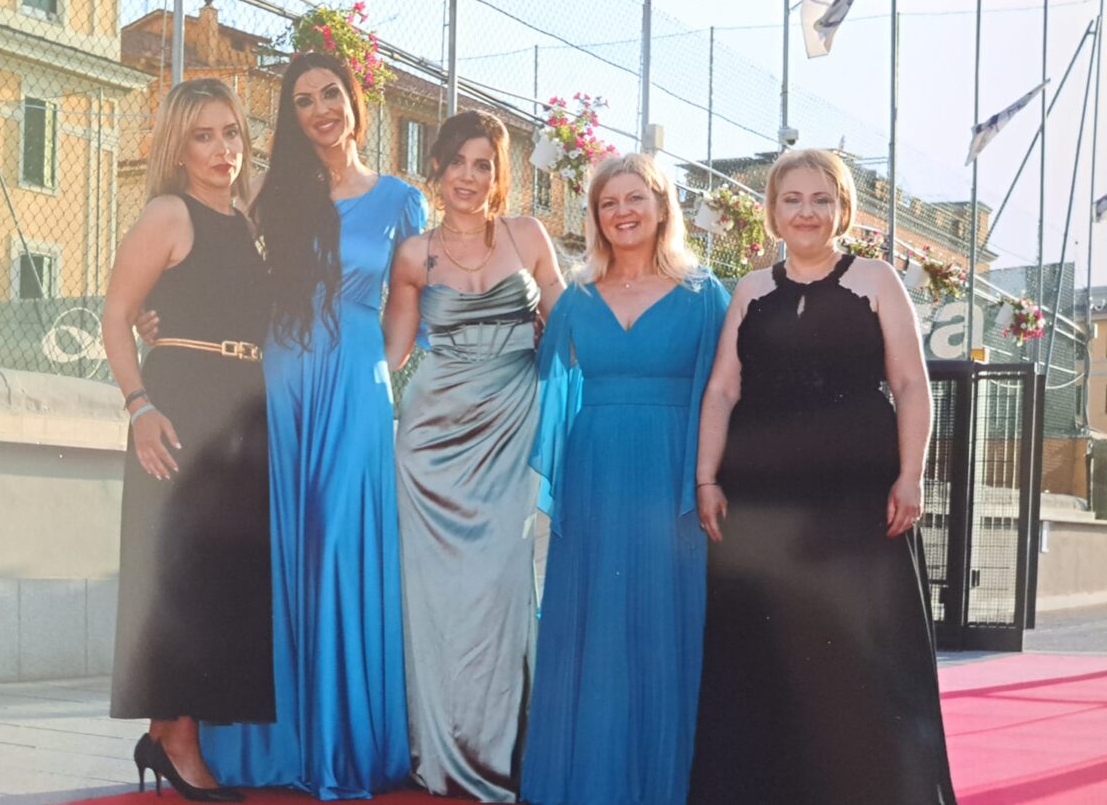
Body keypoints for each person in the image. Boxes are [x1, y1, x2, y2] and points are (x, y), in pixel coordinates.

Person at [184, 53, 425, 797]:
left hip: (355, 385)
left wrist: (370, 372)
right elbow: (218, 268)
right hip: (280, 379)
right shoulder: (268, 192)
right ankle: (278, 749)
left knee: (340, 547)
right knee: (282, 549)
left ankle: (340, 749)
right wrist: (165, 315)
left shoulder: (401, 200)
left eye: (330, 94)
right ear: (291, 118)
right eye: (303, 101)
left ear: (354, 100)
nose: (321, 109)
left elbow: (406, 309)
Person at [687, 148, 956, 804]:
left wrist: (912, 475)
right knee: (766, 649)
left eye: (820, 199)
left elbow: (910, 384)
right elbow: (722, 389)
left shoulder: (876, 279)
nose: (806, 212)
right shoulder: (750, 290)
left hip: (858, 497)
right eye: (792, 199)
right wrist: (706, 479)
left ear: (843, 209)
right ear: (773, 210)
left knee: (861, 647)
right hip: (762, 501)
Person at [519, 153, 729, 805]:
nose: (623, 212)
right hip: (594, 474)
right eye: (608, 203)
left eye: (636, 198)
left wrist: (706, 479)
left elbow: (724, 392)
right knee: (594, 625)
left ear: (662, 207)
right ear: (596, 216)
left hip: (672, 477)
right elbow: (543, 389)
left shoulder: (705, 295)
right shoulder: (577, 298)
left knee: (661, 623)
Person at [382, 110, 565, 802]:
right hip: (429, 442)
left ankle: (499, 752)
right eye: (457, 160)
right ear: (436, 167)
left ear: (499, 174)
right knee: (435, 598)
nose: (468, 175)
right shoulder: (413, 255)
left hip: (511, 429)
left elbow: (571, 324)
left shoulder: (528, 236)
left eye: (483, 163)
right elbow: (390, 355)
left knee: (501, 588)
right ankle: (438, 746)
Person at [103, 78, 274, 802]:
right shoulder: (168, 213)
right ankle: (175, 741)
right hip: (180, 408)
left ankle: (165, 734)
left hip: (241, 411)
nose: (222, 149)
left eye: (231, 132)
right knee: (178, 574)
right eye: (203, 136)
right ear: (178, 146)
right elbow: (116, 315)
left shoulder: (246, 221)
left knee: (216, 581)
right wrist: (140, 406)